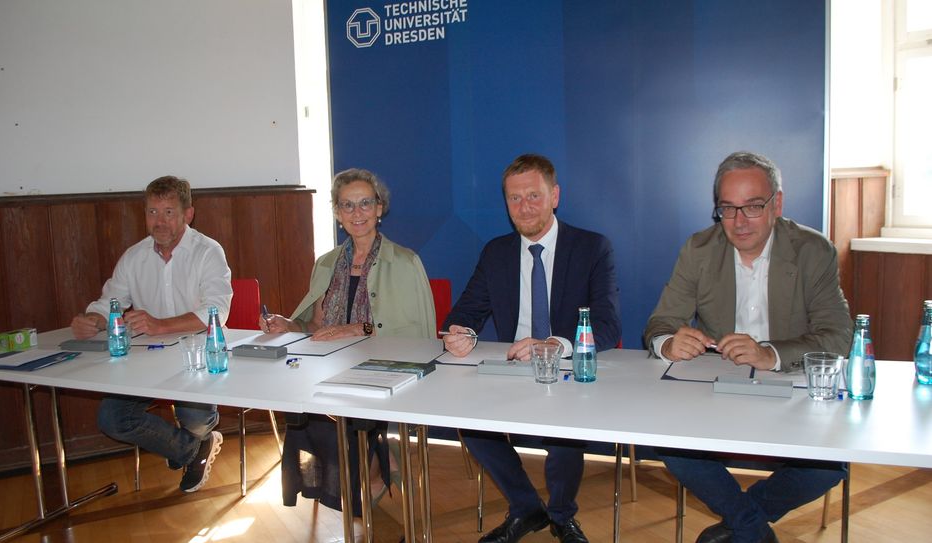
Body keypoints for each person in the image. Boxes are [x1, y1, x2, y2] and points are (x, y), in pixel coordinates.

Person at [644, 151, 852, 543]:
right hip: (717, 390)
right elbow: (659, 323)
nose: (739, 222)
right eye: (728, 208)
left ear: (777, 203)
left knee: (828, 465)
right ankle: (750, 529)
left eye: (753, 207)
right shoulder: (699, 249)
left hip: (790, 391)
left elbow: (838, 337)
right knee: (672, 445)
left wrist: (770, 353)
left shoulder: (812, 251)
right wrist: (669, 342)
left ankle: (738, 525)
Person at [443, 153, 622, 543]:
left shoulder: (592, 248)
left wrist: (554, 344)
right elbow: (467, 312)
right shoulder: (496, 252)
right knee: (471, 423)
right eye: (514, 198)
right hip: (514, 368)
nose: (524, 207)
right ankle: (526, 508)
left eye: (534, 196)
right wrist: (460, 332)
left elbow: (607, 326)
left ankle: (560, 515)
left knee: (565, 433)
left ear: (555, 195)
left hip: (569, 368)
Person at [261, 168, 436, 516]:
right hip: (332, 365)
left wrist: (361, 329)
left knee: (339, 420)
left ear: (379, 209)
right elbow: (314, 325)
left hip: (383, 371)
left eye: (365, 204)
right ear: (338, 214)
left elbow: (421, 337)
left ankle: (366, 484)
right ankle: (376, 464)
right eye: (347, 206)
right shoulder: (326, 263)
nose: (357, 213)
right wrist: (287, 324)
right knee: (302, 414)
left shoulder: (406, 262)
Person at [70, 175, 233, 493]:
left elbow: (216, 312)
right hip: (147, 359)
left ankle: (192, 439)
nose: (159, 221)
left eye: (169, 212)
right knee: (112, 419)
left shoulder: (208, 252)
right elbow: (109, 303)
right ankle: (190, 449)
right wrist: (92, 319)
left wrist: (160, 324)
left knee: (195, 418)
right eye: (152, 212)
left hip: (200, 355)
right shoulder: (134, 256)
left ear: (188, 214)